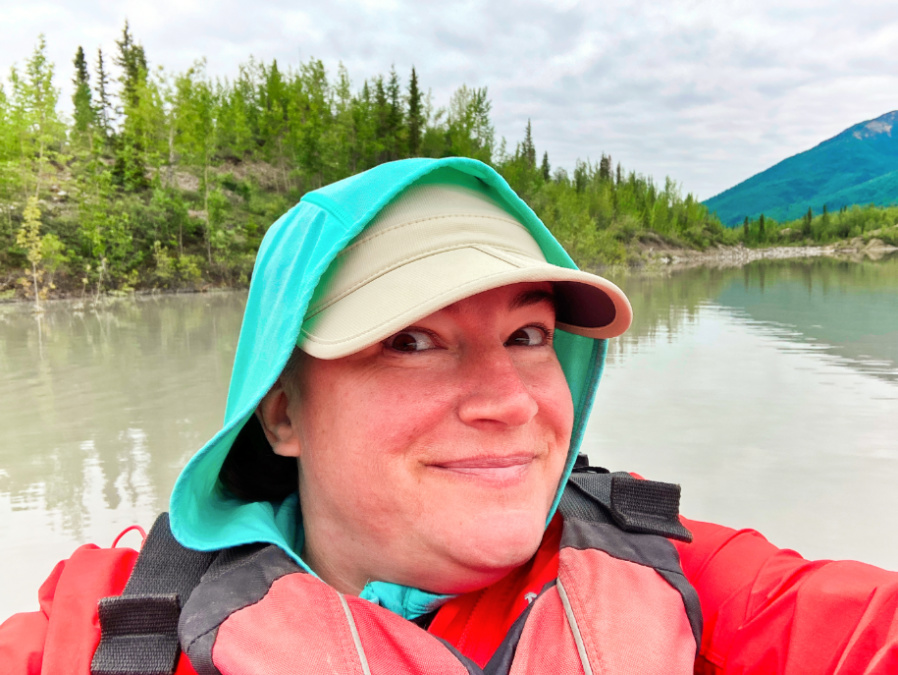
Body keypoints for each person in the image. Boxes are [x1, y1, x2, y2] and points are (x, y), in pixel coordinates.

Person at [2, 157, 897, 674]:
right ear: (281, 412)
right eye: (413, 342)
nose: (509, 400)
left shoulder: (696, 580)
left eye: (529, 333)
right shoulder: (111, 631)